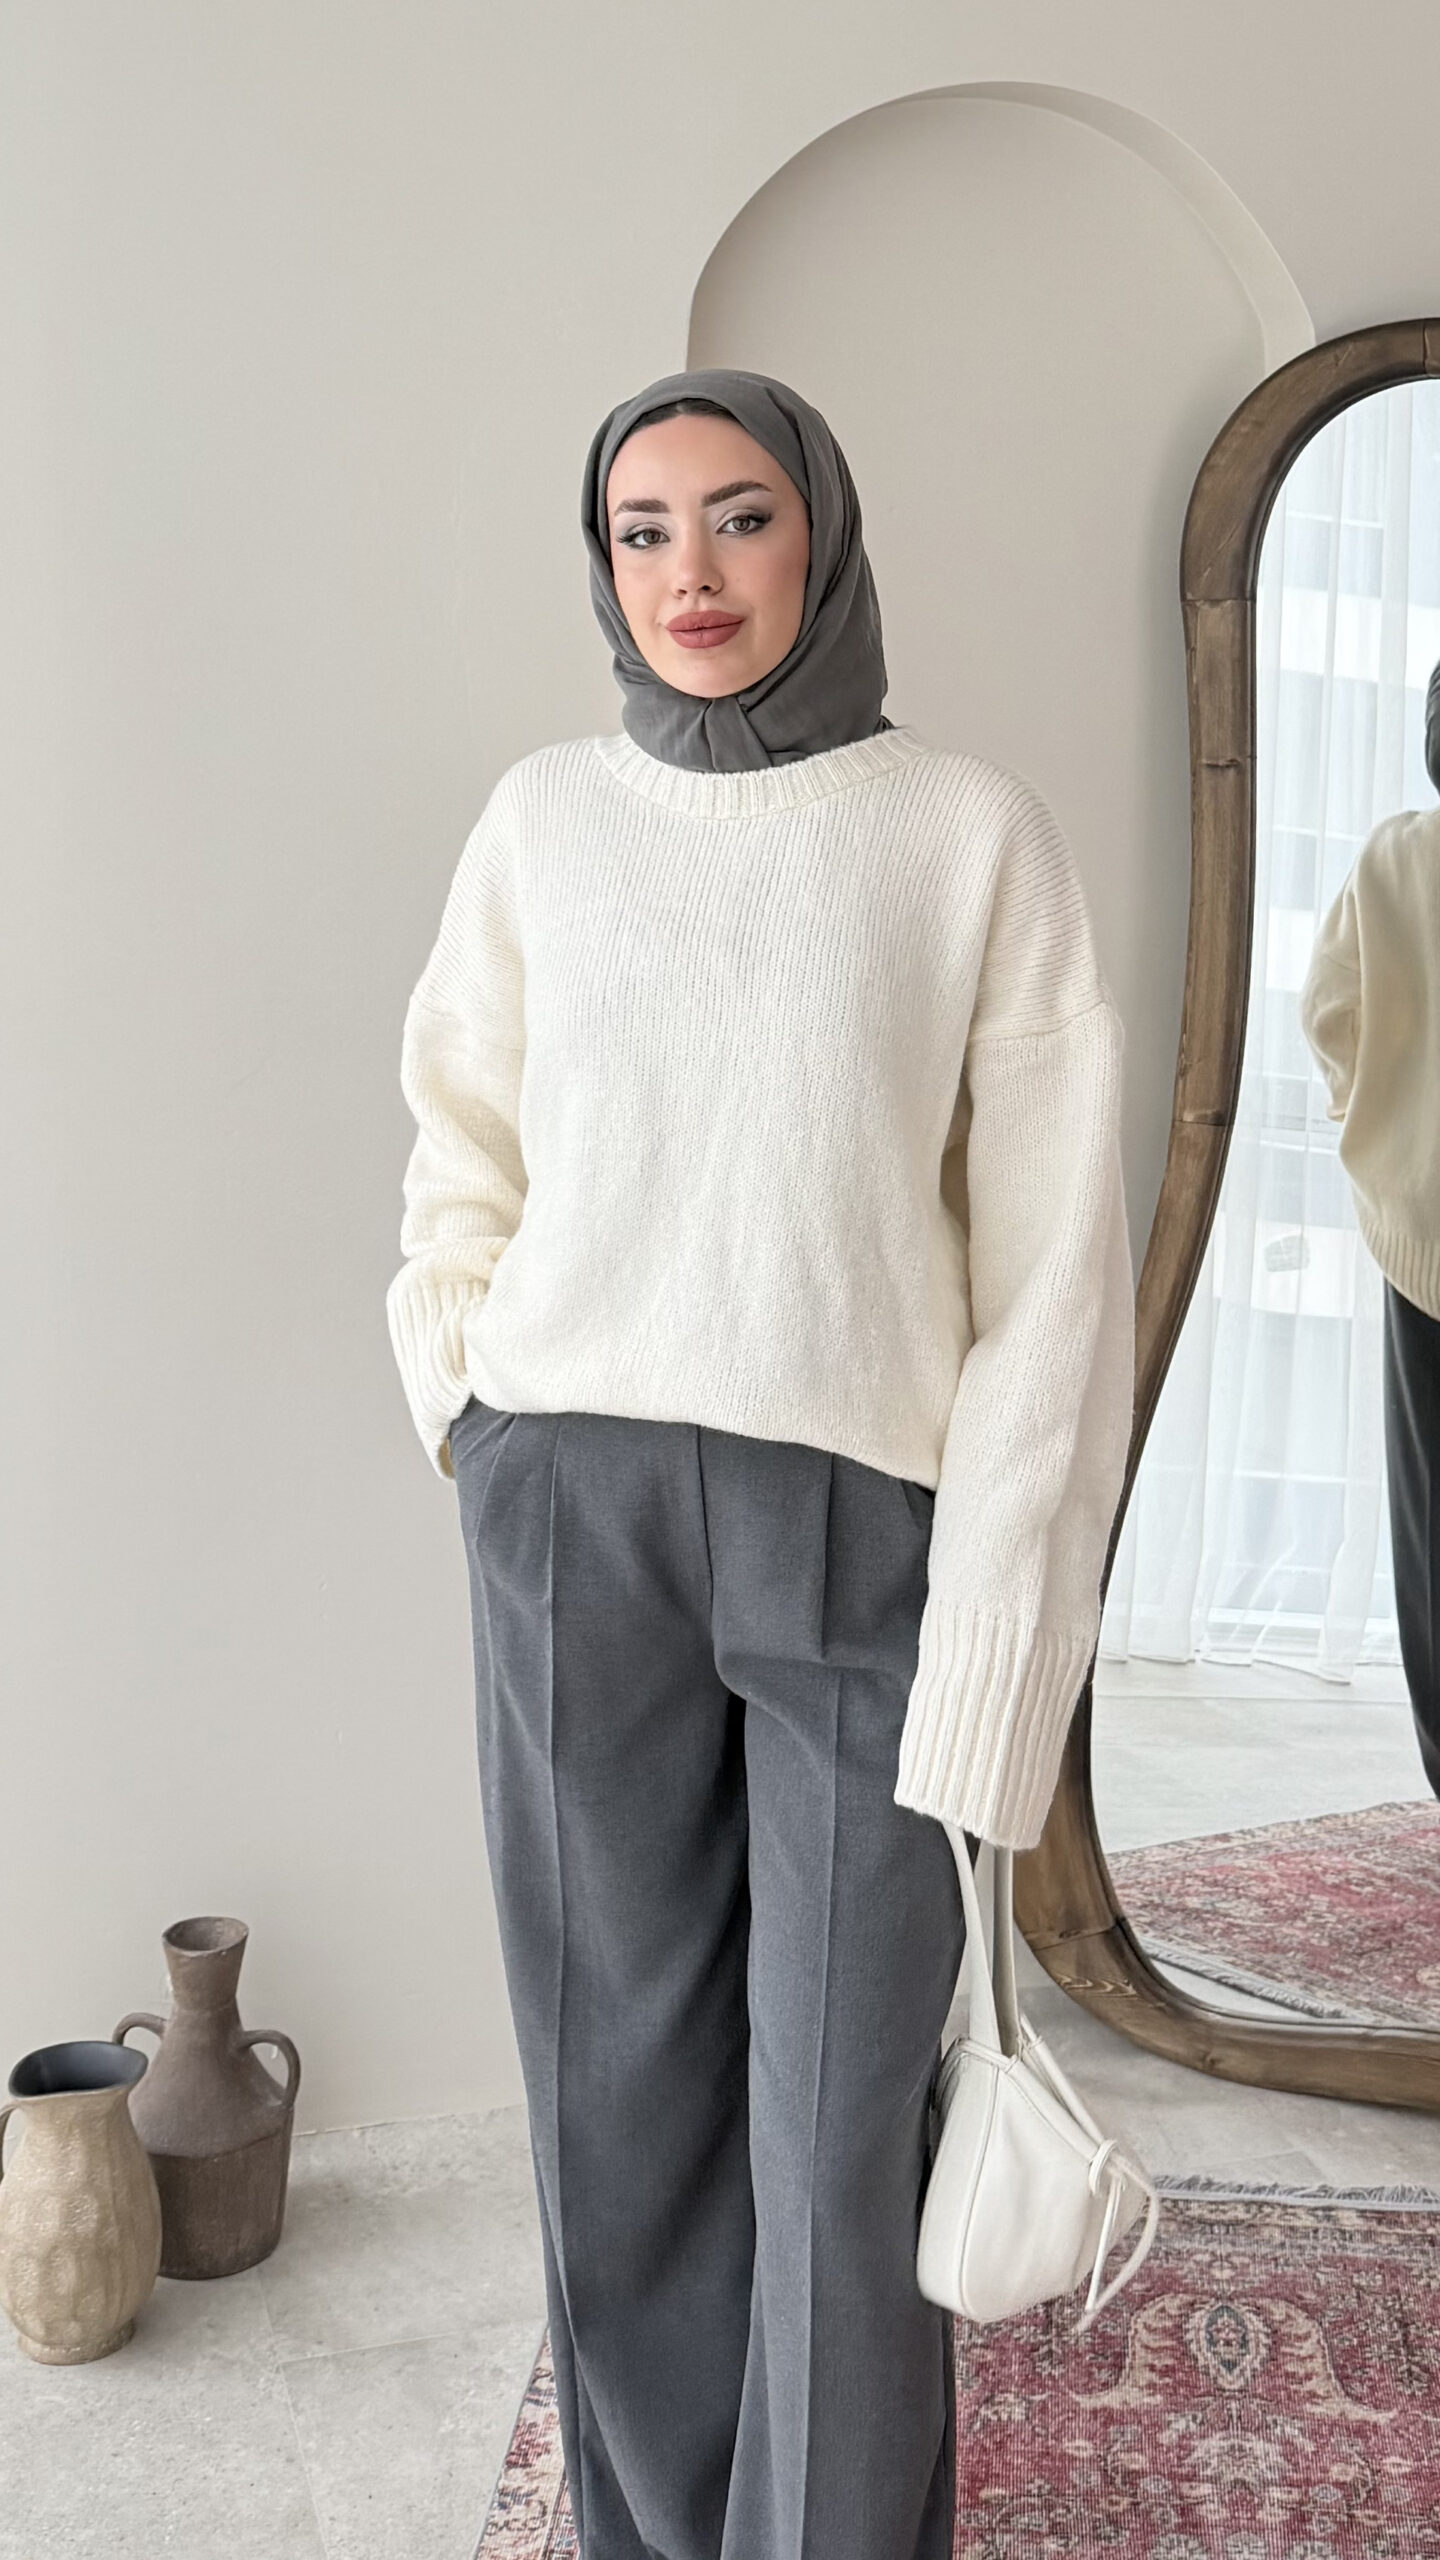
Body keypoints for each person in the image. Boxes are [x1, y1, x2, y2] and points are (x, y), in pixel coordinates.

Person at [385, 367, 1135, 2560]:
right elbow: (460, 1143)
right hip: (575, 1507)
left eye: (736, 517)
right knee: (612, 2106)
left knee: (836, 2136)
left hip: (852, 1532)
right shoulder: (545, 820)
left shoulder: (969, 835)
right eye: (642, 532)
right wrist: (471, 1408)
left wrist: (1000, 1639)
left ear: (823, 532)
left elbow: (1053, 1281)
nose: (689, 574)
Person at [1299, 657, 1440, 1798]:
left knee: (1431, 1515)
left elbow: (1331, 1013)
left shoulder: (1397, 855)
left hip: (1421, 1220)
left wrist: (1377, 1125)